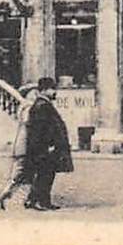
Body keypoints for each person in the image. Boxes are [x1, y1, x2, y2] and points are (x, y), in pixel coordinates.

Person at [22, 77, 73, 211]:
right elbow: (42, 130)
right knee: (46, 174)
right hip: (45, 148)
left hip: (42, 147)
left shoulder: (43, 104)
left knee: (42, 174)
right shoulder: (42, 106)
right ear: (44, 90)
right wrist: (49, 145)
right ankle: (42, 202)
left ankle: (32, 200)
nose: (55, 92)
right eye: (52, 89)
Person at [0, 85, 36, 210]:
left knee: (25, 174)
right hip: (25, 146)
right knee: (19, 174)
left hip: (22, 145)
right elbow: (28, 123)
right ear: (29, 95)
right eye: (34, 93)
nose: (35, 95)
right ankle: (5, 195)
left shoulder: (24, 108)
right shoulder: (28, 109)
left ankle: (24, 198)